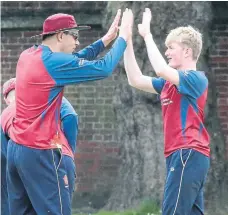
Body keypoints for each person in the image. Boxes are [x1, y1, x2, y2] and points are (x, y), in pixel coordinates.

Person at [7, 8, 132, 215]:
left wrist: (105, 40)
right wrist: (124, 37)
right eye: (74, 36)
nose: (77, 42)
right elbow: (103, 68)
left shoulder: (28, 55)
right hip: (40, 152)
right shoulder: (53, 63)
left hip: (16, 149)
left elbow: (74, 60)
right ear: (61, 35)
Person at [124, 8, 210, 215]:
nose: (167, 52)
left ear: (187, 51)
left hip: (188, 152)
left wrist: (147, 35)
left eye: (171, 48)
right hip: (180, 155)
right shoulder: (168, 84)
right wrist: (126, 41)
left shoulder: (195, 78)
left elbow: (161, 69)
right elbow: (135, 79)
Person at [1, 78, 79, 214]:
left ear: (7, 100)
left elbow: (4, 158)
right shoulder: (47, 97)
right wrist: (67, 153)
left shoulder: (5, 115)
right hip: (56, 157)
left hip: (21, 165)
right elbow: (70, 116)